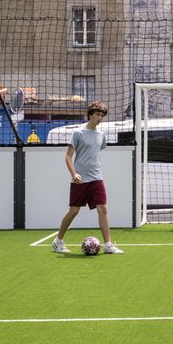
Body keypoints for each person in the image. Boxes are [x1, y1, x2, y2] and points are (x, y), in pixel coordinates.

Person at [51, 101, 123, 254]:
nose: (100, 118)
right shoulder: (78, 133)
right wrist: (74, 174)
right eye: (97, 114)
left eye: (102, 115)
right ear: (90, 115)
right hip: (80, 180)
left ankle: (108, 245)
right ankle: (58, 242)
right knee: (74, 211)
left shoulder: (101, 136)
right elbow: (68, 156)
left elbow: (96, 154)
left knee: (103, 209)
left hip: (97, 178)